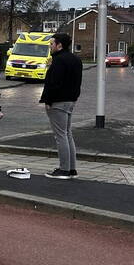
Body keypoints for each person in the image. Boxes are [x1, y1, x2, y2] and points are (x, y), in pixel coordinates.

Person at [39, 32, 82, 179]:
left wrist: (48, 101)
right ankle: (71, 168)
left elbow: (53, 83)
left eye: (52, 44)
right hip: (70, 101)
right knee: (67, 133)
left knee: (60, 135)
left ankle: (63, 169)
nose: (50, 46)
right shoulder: (76, 59)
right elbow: (77, 82)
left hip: (58, 102)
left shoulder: (58, 61)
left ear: (59, 45)